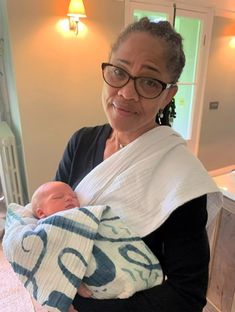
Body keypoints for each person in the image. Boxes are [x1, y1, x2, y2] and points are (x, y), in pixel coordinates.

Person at [55, 17, 222, 312]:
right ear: (106, 69)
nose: (126, 93)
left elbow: (187, 294)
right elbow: (52, 224)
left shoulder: (181, 179)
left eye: (148, 81)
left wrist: (83, 308)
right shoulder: (80, 142)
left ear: (168, 94)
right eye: (119, 72)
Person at [31, 181, 92, 312]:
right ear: (41, 213)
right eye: (58, 197)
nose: (70, 198)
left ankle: (73, 286)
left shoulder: (80, 215)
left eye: (74, 196)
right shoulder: (44, 224)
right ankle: (61, 302)